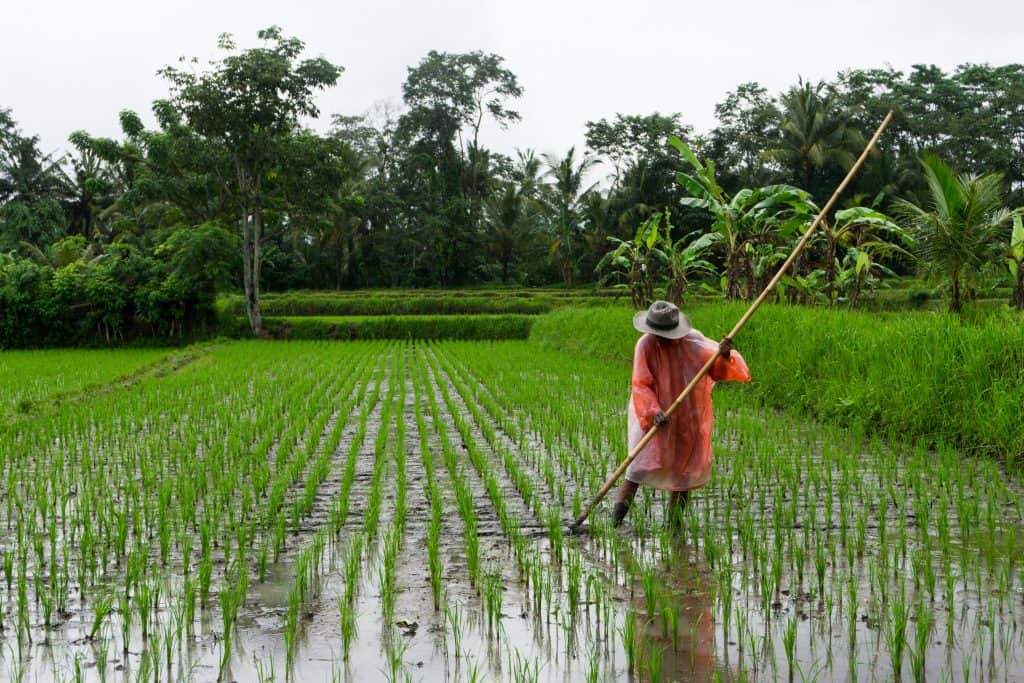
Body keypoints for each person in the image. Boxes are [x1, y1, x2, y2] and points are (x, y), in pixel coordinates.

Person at [612, 300, 751, 527]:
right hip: (653, 414)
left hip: (688, 413)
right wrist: (653, 411)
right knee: (636, 468)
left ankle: (673, 525)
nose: (660, 338)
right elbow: (641, 384)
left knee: (684, 473)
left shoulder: (693, 340)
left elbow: (716, 371)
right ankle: (614, 523)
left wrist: (723, 355)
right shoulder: (645, 345)